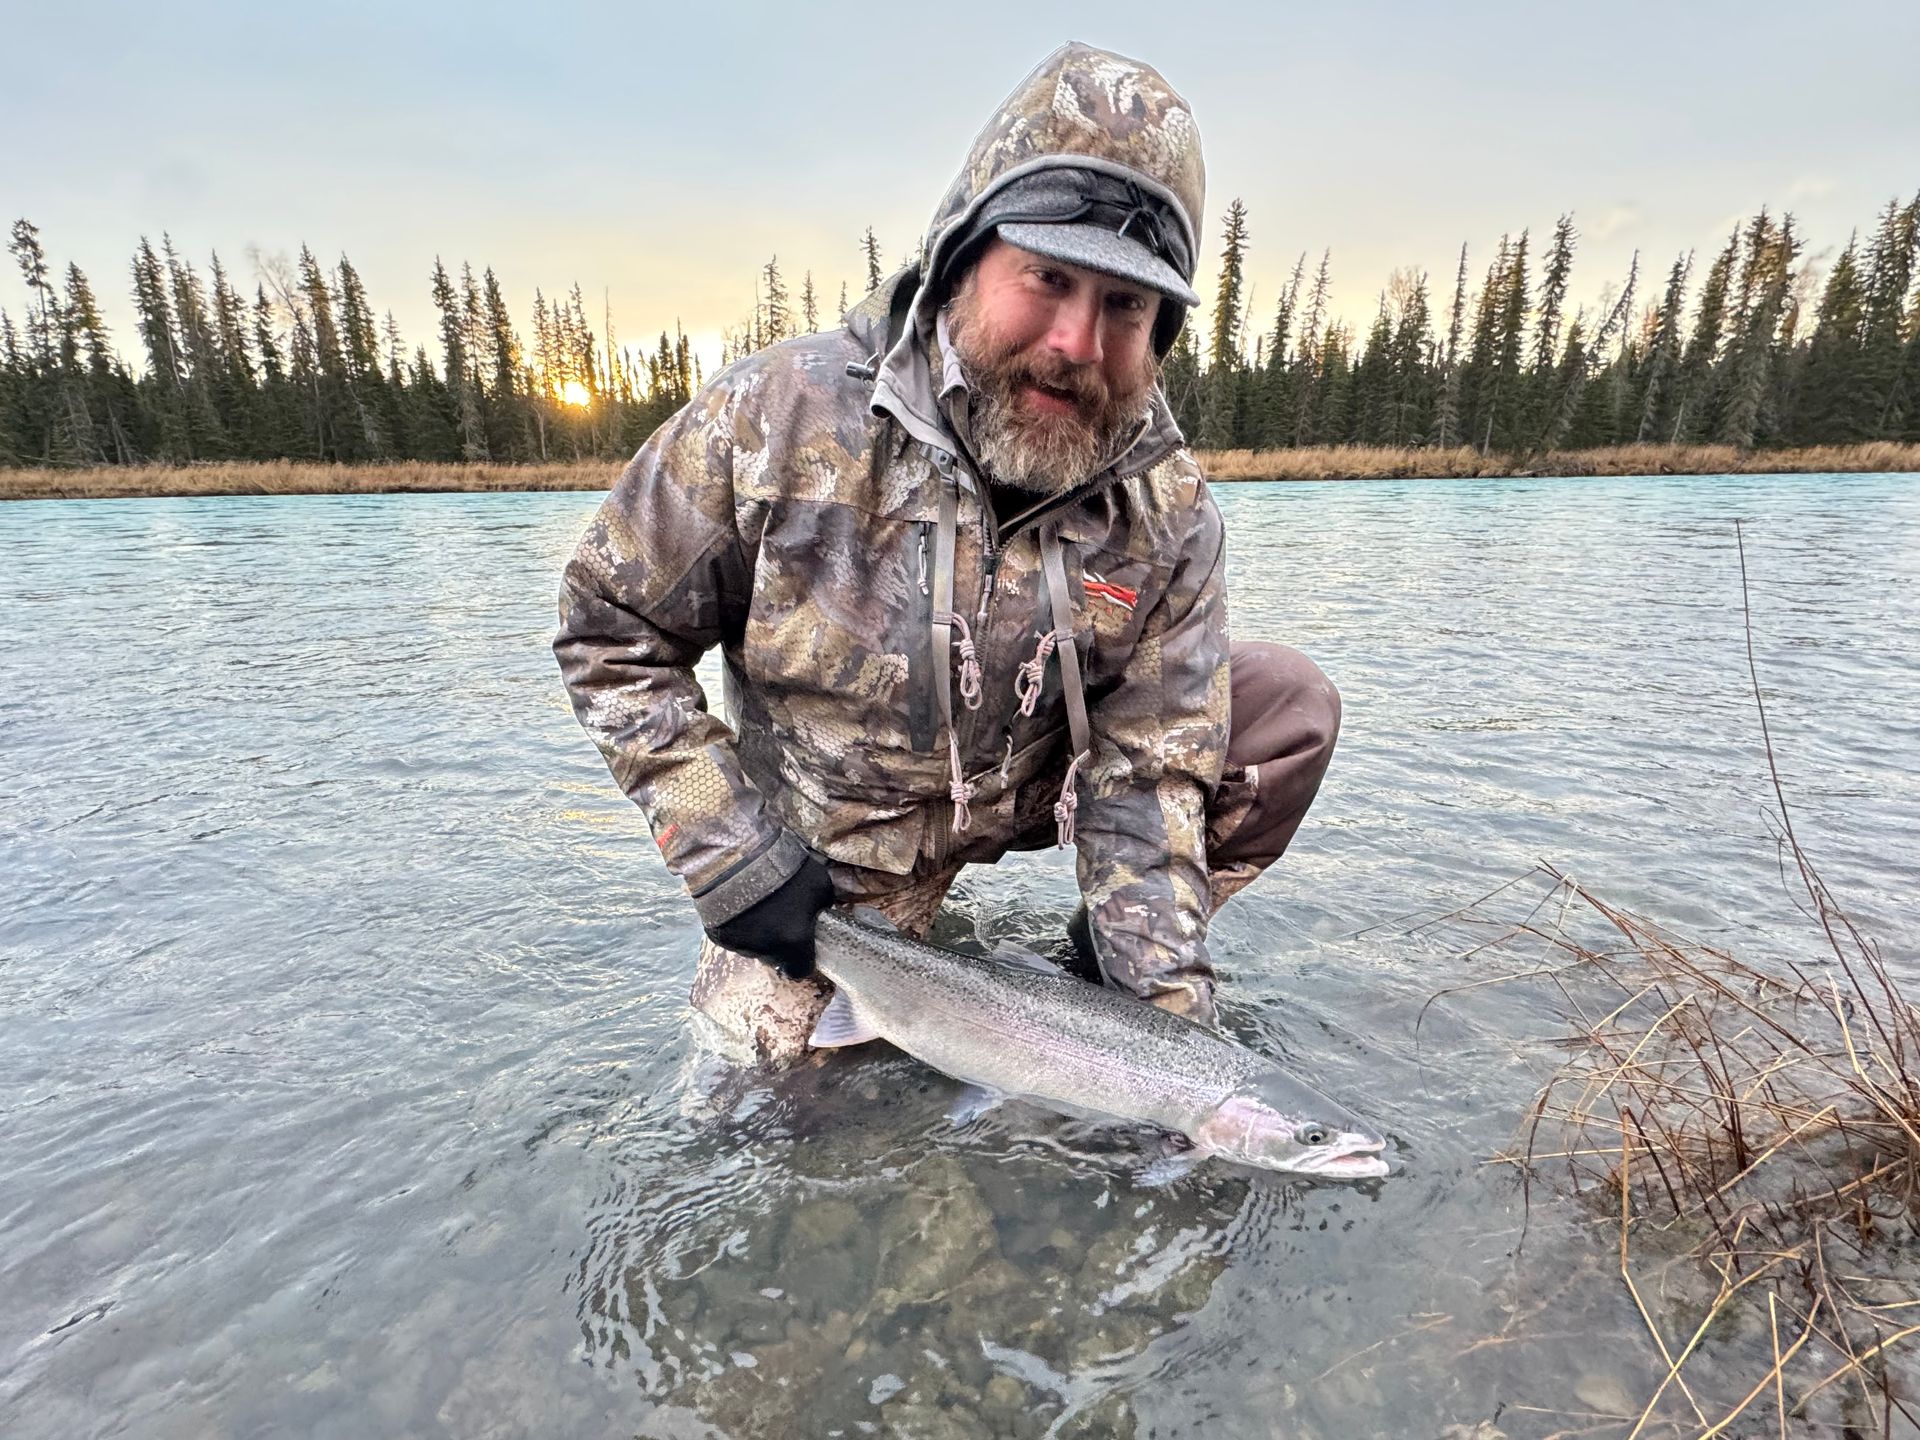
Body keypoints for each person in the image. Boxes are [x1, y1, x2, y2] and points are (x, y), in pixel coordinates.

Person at [554, 42, 1339, 1063]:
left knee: (1283, 706)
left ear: (1162, 329)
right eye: (1048, 278)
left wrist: (1164, 1043)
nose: (1076, 341)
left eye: (1125, 306)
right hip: (826, 856)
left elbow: (1150, 776)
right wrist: (727, 851)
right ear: (963, 259)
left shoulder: (1169, 510)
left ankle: (1093, 973)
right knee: (790, 1117)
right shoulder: (774, 419)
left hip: (1029, 787)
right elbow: (608, 631)